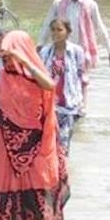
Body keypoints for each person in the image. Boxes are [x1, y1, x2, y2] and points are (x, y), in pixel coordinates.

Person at [0, 31, 70, 220]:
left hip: (38, 148)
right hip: (4, 147)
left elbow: (51, 86)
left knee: (38, 198)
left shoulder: (37, 80)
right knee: (3, 198)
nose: (5, 59)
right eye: (3, 56)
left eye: (10, 55)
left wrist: (25, 60)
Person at [38, 0, 110, 113]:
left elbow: (100, 27)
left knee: (83, 79)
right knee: (60, 76)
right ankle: (60, 104)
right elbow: (46, 24)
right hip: (61, 48)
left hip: (82, 49)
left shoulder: (90, 5)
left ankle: (82, 107)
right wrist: (40, 45)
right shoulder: (58, 3)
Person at [39, 19, 87, 155]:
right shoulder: (45, 52)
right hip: (48, 106)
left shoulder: (76, 51)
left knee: (63, 147)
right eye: (53, 29)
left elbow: (82, 79)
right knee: (47, 146)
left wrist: (83, 104)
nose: (55, 33)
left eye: (59, 30)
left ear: (68, 32)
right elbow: (40, 77)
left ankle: (62, 174)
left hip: (69, 106)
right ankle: (51, 174)